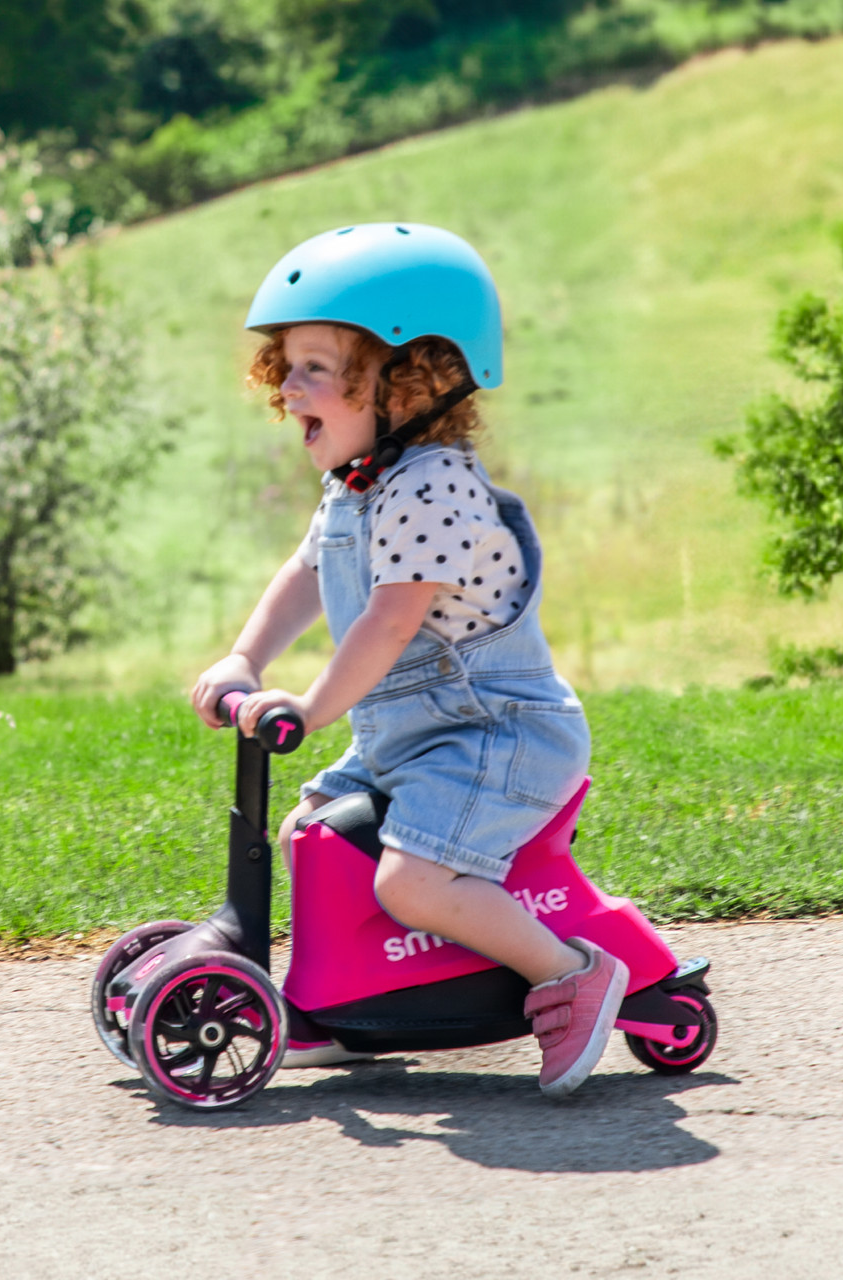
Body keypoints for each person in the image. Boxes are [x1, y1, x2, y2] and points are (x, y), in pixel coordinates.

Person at [190, 223, 628, 1097]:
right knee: (311, 837)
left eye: (316, 367)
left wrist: (311, 708)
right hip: (415, 738)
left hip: (494, 736)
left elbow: (391, 624)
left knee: (414, 882)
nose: (288, 387)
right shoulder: (355, 484)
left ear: (406, 382)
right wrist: (245, 657)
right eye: (286, 366)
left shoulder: (434, 487)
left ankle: (571, 973)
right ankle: (347, 1003)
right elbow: (306, 574)